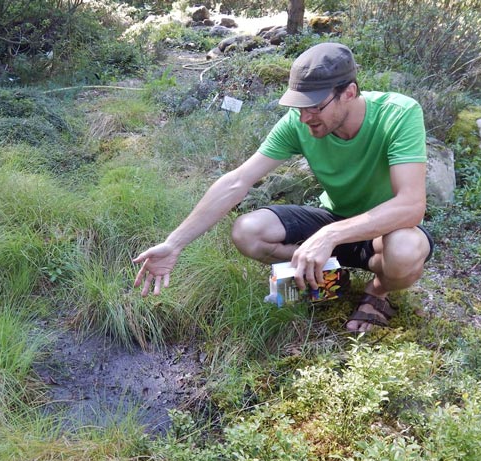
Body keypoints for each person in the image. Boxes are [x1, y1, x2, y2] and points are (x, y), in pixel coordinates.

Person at [132, 42, 434, 332]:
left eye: (314, 106)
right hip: (334, 215)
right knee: (248, 231)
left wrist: (330, 235)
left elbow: (410, 205)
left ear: (349, 93)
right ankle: (329, 275)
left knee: (405, 251)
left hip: (384, 231)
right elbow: (238, 180)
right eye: (299, 106)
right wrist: (175, 243)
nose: (304, 117)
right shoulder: (299, 122)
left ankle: (377, 292)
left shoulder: (399, 114)